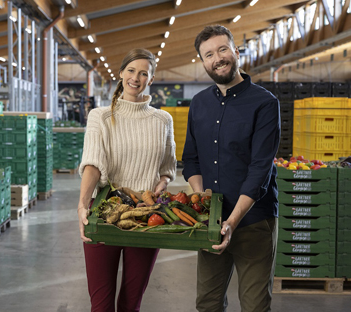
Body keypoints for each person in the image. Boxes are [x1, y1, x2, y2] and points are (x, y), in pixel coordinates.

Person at [182, 25, 280, 312]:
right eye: (209, 54)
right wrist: (203, 202)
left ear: (236, 52)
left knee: (254, 305)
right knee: (208, 303)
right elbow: (191, 159)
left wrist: (232, 222)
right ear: (203, 63)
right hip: (210, 222)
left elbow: (260, 170)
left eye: (223, 49)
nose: (218, 58)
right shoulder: (199, 103)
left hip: (253, 221)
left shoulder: (264, 103)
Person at [77, 48, 177, 312]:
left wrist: (162, 183)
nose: (136, 78)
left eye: (144, 73)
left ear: (151, 79)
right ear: (121, 73)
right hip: (104, 212)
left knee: (131, 303)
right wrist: (82, 205)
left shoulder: (163, 120)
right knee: (100, 305)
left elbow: (168, 166)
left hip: (147, 217)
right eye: (131, 70)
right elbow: (93, 164)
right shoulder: (101, 116)